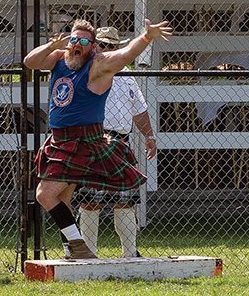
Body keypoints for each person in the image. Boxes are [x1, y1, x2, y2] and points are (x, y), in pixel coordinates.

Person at [23, 18, 172, 260]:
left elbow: (125, 55)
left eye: (83, 41)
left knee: (44, 195)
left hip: (84, 141)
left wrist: (146, 37)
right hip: (59, 139)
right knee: (63, 199)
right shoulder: (61, 58)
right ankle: (73, 253)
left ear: (93, 46)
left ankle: (85, 247)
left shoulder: (98, 65)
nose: (76, 44)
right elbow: (30, 62)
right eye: (73, 39)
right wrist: (52, 46)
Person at [75, 27, 157, 258]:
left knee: (126, 199)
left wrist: (149, 136)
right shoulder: (86, 69)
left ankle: (130, 252)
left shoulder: (127, 74)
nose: (108, 49)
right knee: (91, 199)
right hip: (93, 138)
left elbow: (139, 109)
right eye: (103, 44)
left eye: (113, 46)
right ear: (94, 46)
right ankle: (88, 252)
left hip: (121, 140)